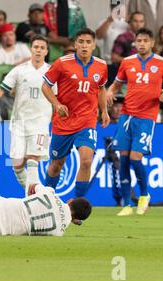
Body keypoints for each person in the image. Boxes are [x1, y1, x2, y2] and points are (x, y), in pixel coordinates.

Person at [106, 28, 163, 216]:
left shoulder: (162, 64)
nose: (142, 44)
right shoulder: (127, 62)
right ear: (135, 43)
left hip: (146, 117)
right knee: (123, 159)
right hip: (126, 116)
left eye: (145, 40)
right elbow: (116, 84)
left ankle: (144, 195)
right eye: (139, 41)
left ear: (152, 43)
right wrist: (110, 92)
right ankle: (127, 204)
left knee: (135, 158)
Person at [41, 28, 110, 199]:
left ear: (94, 45)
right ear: (75, 44)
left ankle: (77, 205)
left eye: (88, 42)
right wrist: (56, 104)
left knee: (86, 161)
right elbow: (45, 86)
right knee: (57, 165)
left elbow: (101, 89)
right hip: (63, 122)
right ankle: (45, 200)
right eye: (81, 42)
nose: (84, 46)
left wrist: (105, 111)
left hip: (87, 121)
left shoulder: (101, 66)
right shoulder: (62, 63)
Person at [0, 35, 55, 191]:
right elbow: (2, 90)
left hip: (41, 123)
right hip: (19, 123)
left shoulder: (52, 72)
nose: (38, 50)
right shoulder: (19, 70)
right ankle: (32, 191)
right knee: (17, 164)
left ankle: (35, 198)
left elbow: (57, 98)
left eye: (42, 48)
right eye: (36, 47)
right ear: (31, 49)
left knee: (33, 160)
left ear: (46, 51)